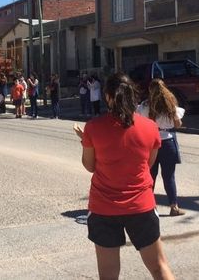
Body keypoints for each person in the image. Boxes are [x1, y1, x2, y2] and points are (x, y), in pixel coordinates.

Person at [73, 73, 174, 280]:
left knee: (109, 274)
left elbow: (90, 166)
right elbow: (148, 164)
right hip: (141, 206)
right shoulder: (150, 127)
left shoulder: (93, 127)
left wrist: (86, 142)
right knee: (158, 267)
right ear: (134, 96)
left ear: (108, 97)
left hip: (104, 208)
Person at [137, 79, 186, 217]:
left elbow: (138, 121)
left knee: (150, 176)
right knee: (169, 177)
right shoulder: (170, 105)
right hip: (168, 143)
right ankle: (174, 206)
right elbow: (177, 124)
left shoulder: (145, 106)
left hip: (151, 143)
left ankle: (150, 207)